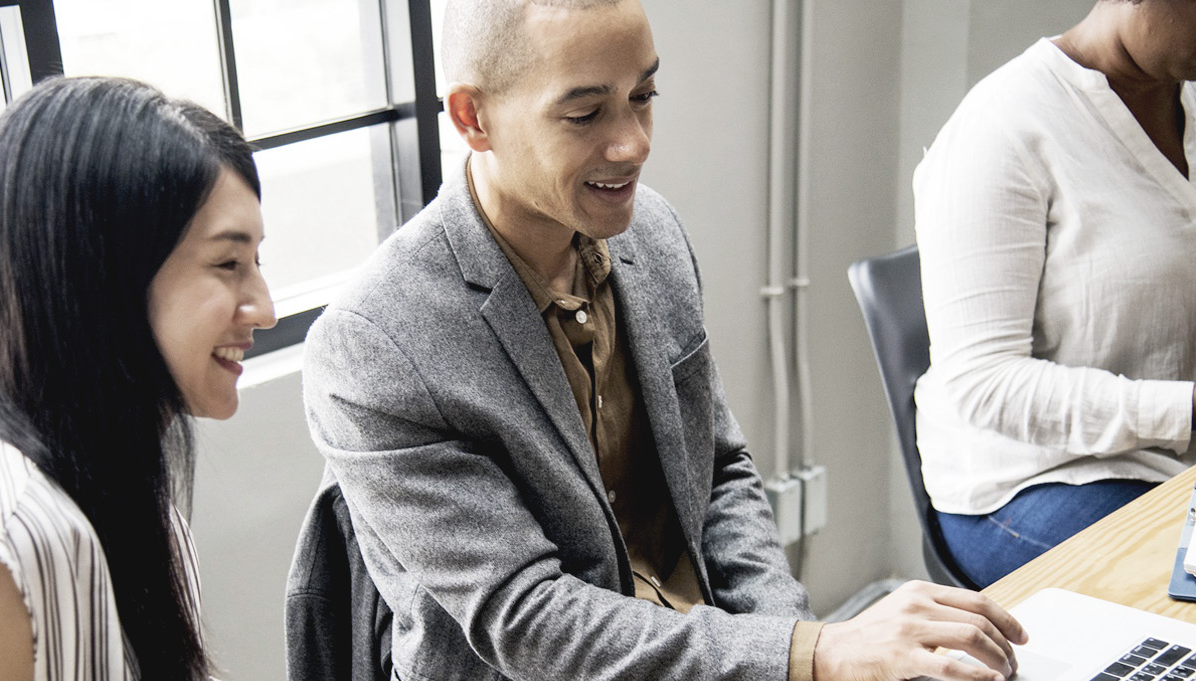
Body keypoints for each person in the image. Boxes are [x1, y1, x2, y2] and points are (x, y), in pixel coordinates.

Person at [300, 0, 1026, 679]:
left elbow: (719, 471)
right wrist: (812, 651)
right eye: (585, 113)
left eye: (643, 97)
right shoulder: (375, 343)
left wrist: (792, 644)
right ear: (472, 117)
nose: (634, 144)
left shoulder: (654, 234)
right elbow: (527, 619)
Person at [0, 76, 275, 681]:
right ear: (103, 282)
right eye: (228, 263)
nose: (266, 309)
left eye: (257, 262)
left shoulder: (126, 495)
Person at [914, 0, 1196, 587]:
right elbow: (984, 381)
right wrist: (1185, 410)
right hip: (1035, 481)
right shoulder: (1003, 127)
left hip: (1171, 462)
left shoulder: (1184, 98)